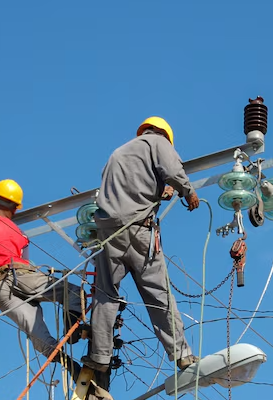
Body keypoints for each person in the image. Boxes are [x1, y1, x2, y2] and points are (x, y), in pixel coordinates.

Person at [81, 116, 201, 372]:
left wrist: (158, 192)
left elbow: (126, 189)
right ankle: (181, 354)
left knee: (105, 294)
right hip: (138, 231)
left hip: (108, 233)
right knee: (158, 294)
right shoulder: (157, 142)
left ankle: (100, 357)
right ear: (163, 134)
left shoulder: (118, 153)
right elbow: (172, 169)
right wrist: (187, 191)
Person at [0, 179, 84, 375]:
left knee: (34, 328)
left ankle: (65, 361)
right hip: (20, 275)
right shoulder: (20, 234)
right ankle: (72, 326)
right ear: (15, 209)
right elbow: (25, 264)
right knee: (73, 293)